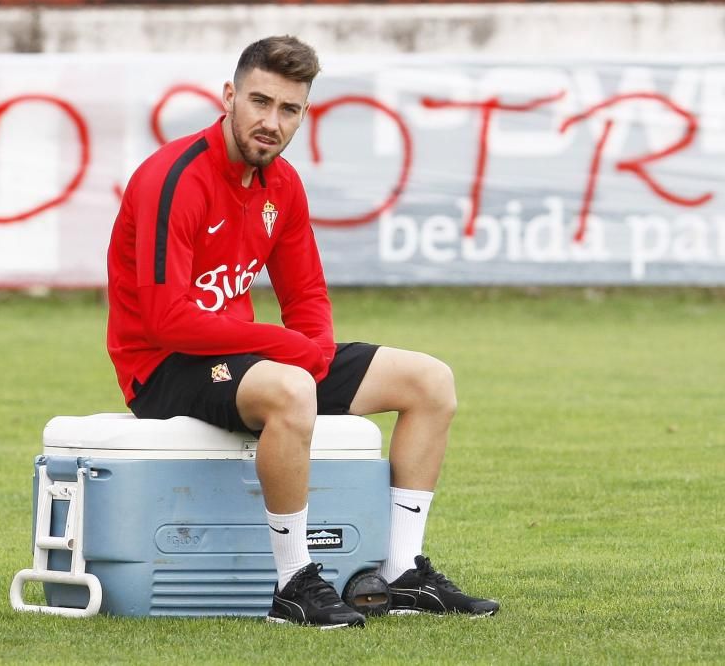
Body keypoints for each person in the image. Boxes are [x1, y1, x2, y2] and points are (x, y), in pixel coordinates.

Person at [106, 35, 499, 628]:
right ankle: (292, 585)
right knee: (290, 388)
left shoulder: (282, 185)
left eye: (289, 109)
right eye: (259, 102)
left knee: (429, 381)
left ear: (303, 114)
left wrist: (313, 350)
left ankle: (400, 572)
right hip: (163, 366)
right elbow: (167, 319)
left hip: (244, 356)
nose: (271, 122)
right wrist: (294, 353)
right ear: (229, 96)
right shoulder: (175, 178)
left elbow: (306, 294)